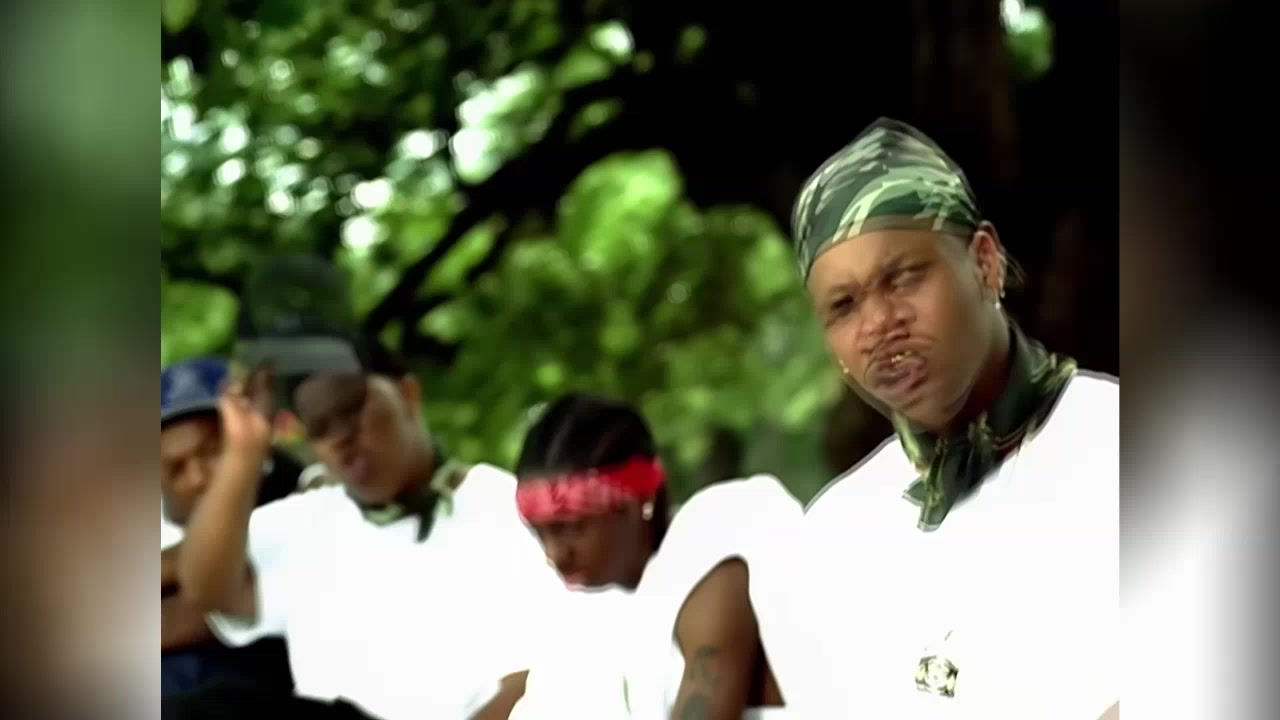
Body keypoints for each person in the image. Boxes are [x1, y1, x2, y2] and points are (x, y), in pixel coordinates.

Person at [772, 117, 1119, 719]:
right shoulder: (833, 536)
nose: (879, 324)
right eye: (844, 306)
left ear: (984, 262)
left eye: (902, 278)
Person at [166, 335, 560, 720]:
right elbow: (208, 589)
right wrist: (244, 450)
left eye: (351, 410)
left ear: (408, 394)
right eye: (320, 427)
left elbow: (536, 679)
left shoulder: (501, 507)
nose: (341, 437)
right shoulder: (306, 521)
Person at [490, 393, 800, 720]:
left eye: (572, 527)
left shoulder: (708, 544)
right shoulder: (618, 608)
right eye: (540, 533)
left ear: (639, 499)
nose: (555, 554)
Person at [161, 356, 297, 697]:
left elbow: (208, 604)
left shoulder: (304, 501)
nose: (197, 478)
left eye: (212, 452)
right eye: (176, 468)